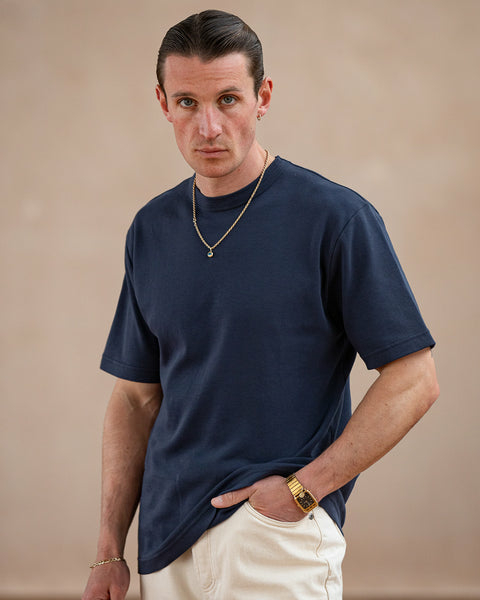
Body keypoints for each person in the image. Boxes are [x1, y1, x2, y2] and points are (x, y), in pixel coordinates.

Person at [82, 9, 439, 600]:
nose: (209, 127)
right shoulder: (151, 229)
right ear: (163, 103)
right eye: (188, 103)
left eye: (228, 99)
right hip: (164, 547)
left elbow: (415, 379)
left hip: (274, 538)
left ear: (262, 96)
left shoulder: (334, 218)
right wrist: (107, 550)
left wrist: (304, 490)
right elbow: (134, 398)